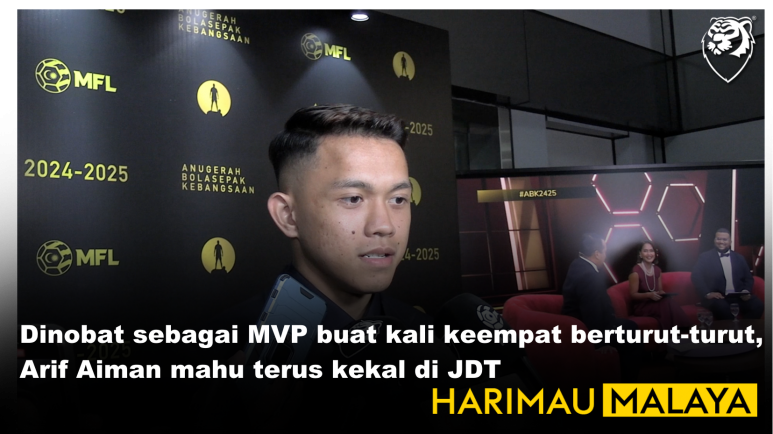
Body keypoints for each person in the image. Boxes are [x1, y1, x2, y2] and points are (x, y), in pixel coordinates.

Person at [561, 233, 641, 381]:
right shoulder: (590, 275)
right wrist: (601, 343)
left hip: (583, 324)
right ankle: (628, 382)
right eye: (604, 251)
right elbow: (591, 311)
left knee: (629, 326)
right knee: (631, 331)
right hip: (585, 328)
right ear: (597, 254)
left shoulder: (577, 264)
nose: (605, 255)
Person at [691, 228, 764, 320]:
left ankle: (743, 328)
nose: (721, 242)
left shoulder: (739, 258)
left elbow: (748, 278)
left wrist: (745, 291)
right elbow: (696, 276)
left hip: (738, 296)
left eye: (724, 239)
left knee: (758, 305)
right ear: (714, 240)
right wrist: (708, 293)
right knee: (723, 309)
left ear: (730, 242)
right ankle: (733, 329)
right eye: (718, 239)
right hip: (717, 297)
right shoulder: (705, 257)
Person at [628, 241, 691, 330]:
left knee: (668, 301)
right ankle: (680, 331)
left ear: (655, 253)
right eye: (645, 251)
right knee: (666, 305)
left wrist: (663, 294)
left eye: (651, 251)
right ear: (640, 254)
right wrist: (649, 295)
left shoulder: (657, 270)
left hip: (656, 303)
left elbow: (659, 290)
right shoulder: (635, 271)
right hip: (642, 305)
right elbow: (633, 295)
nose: (649, 254)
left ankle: (681, 331)